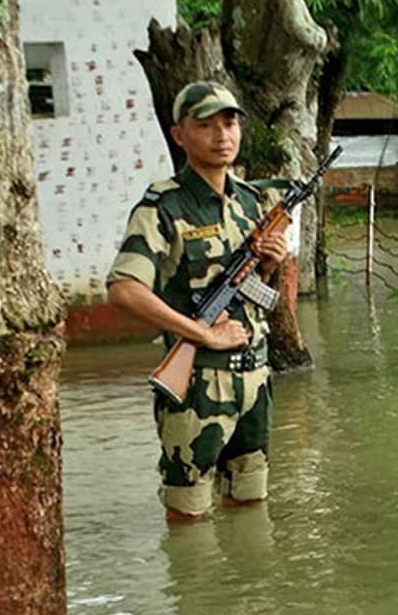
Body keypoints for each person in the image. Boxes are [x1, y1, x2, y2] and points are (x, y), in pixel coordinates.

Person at [106, 81, 287, 522]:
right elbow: (124, 289)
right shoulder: (162, 206)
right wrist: (202, 333)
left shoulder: (249, 201)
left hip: (255, 379)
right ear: (179, 135)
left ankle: (244, 591)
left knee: (250, 505)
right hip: (197, 386)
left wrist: (266, 267)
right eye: (205, 125)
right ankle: (193, 591)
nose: (221, 135)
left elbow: (251, 296)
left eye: (229, 123)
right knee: (188, 515)